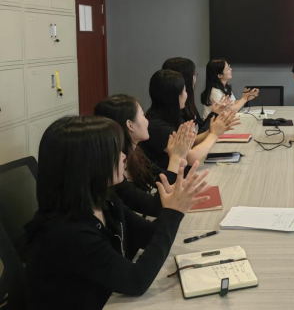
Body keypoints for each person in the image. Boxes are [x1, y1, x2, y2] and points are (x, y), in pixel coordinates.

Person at [24, 116, 210, 310]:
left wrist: (173, 207)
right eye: (114, 152)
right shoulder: (68, 233)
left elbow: (148, 235)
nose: (123, 156)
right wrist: (173, 213)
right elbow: (136, 281)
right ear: (88, 165)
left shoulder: (104, 200)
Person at [94, 94, 196, 217]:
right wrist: (175, 158)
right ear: (130, 125)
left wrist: (178, 161)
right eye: (142, 115)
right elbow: (156, 207)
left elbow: (161, 179)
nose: (147, 120)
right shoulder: (114, 170)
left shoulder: (136, 153)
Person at [141, 70, 239, 170]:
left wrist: (212, 130)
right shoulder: (158, 126)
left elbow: (190, 142)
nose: (186, 95)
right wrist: (214, 135)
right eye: (184, 91)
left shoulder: (172, 115)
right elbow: (190, 158)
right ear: (174, 96)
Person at [162, 57, 232, 134]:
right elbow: (195, 137)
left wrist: (214, 114)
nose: (195, 77)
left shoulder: (188, 103)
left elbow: (199, 128)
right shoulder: (176, 110)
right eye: (194, 74)